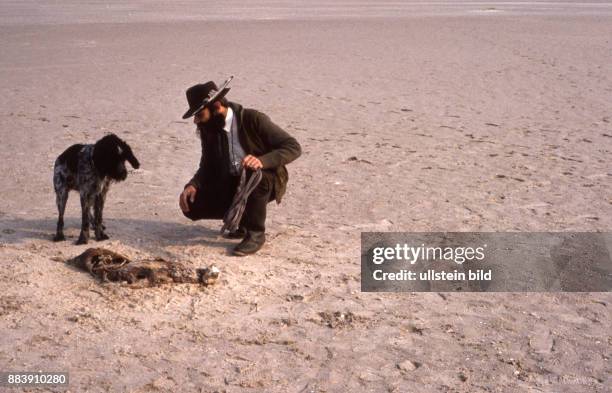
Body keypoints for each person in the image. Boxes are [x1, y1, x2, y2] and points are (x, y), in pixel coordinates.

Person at [179, 79, 301, 256]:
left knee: (257, 176)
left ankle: (256, 233)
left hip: (264, 180)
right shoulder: (209, 129)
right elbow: (207, 165)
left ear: (217, 106)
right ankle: (242, 221)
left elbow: (293, 147)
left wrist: (262, 161)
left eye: (199, 114)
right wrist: (192, 185)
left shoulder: (253, 119)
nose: (196, 121)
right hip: (231, 181)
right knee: (191, 203)